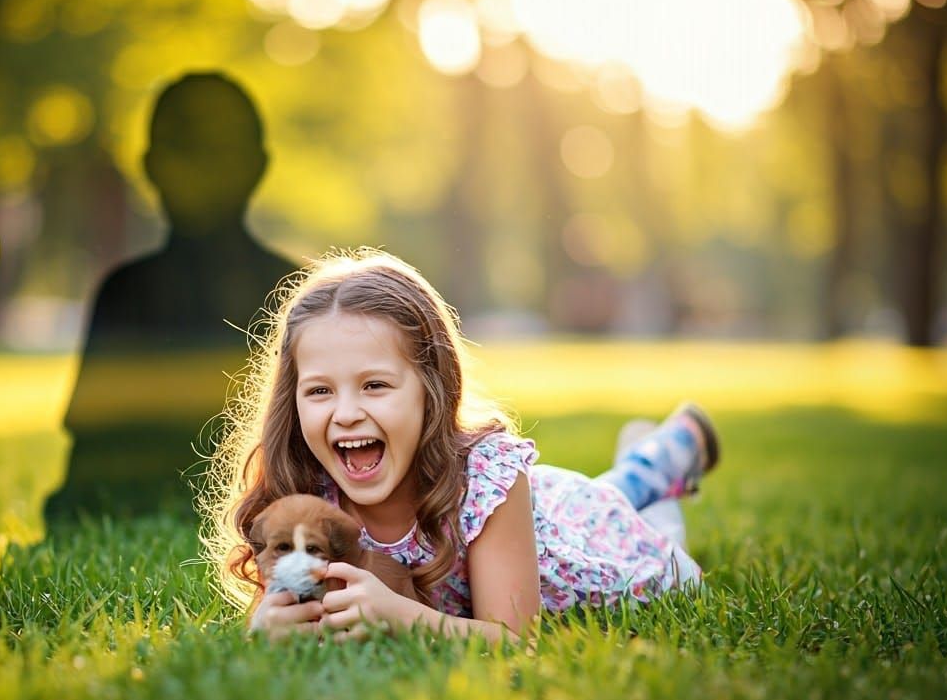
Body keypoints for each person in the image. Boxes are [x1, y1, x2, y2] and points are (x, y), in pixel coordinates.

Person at [200, 248, 719, 641]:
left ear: (433, 389)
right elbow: (289, 602)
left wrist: (405, 617)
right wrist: (269, 621)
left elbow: (515, 640)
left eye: (375, 385)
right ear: (292, 401)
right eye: (319, 391)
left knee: (642, 534)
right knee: (613, 490)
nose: (346, 412)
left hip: (573, 534)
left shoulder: (486, 483)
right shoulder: (305, 492)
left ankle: (663, 475)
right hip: (537, 515)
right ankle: (654, 455)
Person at [45, 72, 297, 523]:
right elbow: (87, 468)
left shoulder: (300, 298)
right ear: (151, 166)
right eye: (186, 148)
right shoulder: (124, 295)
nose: (201, 170)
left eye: (217, 150)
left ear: (255, 166)